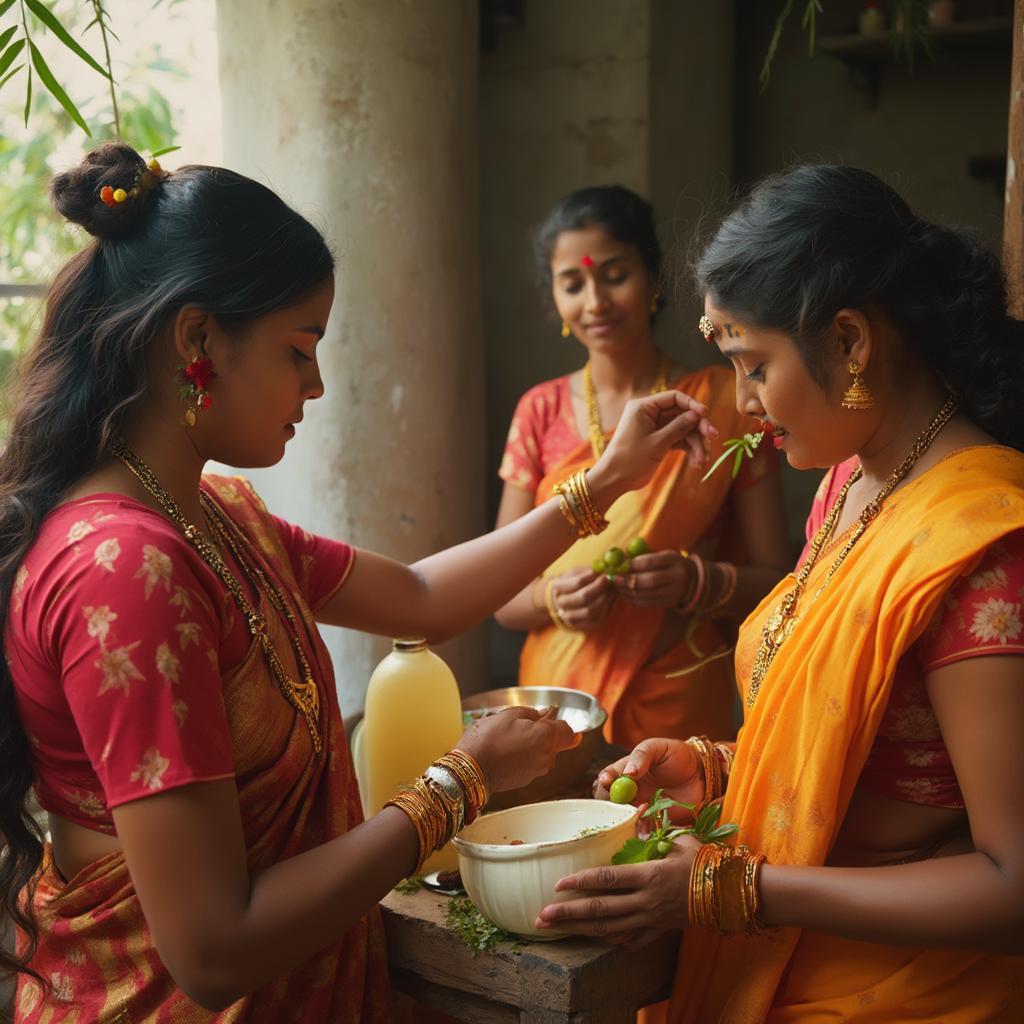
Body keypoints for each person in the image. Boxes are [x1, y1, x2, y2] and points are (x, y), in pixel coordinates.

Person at [0, 144, 716, 1022]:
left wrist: (603, 482)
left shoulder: (215, 515)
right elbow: (214, 952)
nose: (317, 383)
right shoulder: (126, 575)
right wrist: (457, 786)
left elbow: (419, 597)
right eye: (298, 351)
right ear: (197, 342)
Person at [533, 165, 1024, 1022]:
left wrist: (737, 891)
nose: (744, 402)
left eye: (753, 365)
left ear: (849, 343)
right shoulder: (846, 486)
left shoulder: (983, 550)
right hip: (792, 949)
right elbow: (850, 747)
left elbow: (1011, 887)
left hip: (909, 989)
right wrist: (715, 772)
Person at [494, 186, 790, 748]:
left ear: (653, 279)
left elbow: (781, 585)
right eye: (573, 283)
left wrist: (699, 583)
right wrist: (551, 597)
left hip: (677, 699)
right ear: (554, 296)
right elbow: (500, 593)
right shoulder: (539, 412)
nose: (595, 302)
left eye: (614, 274)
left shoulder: (721, 404)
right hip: (557, 707)